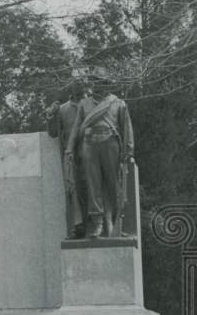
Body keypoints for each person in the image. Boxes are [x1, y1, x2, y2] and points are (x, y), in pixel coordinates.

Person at [65, 77, 135, 238]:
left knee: (114, 185)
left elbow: (126, 127)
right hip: (89, 145)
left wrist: (129, 150)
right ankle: (97, 224)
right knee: (93, 185)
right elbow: (77, 128)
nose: (99, 84)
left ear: (109, 83)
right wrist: (69, 149)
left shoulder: (118, 103)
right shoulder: (84, 104)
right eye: (95, 81)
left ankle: (117, 221)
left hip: (110, 144)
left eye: (103, 81)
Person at [47, 79, 90, 238]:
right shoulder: (63, 109)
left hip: (92, 154)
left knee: (94, 187)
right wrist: (51, 116)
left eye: (82, 83)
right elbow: (53, 133)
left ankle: (96, 223)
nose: (78, 86)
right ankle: (79, 225)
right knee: (73, 189)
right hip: (71, 156)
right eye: (75, 84)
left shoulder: (93, 105)